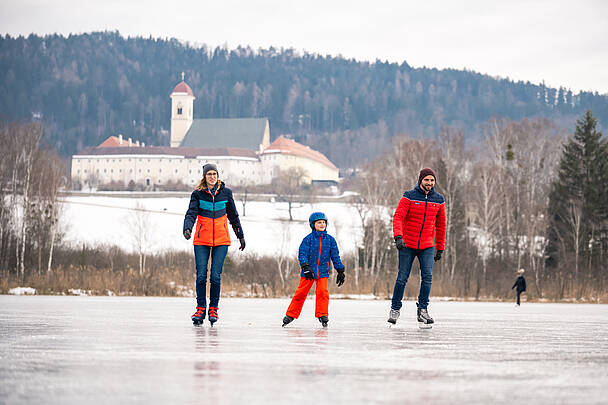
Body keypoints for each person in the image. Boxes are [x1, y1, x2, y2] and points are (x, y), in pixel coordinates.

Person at [183, 163, 246, 326]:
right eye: (209, 174)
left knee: (216, 277)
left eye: (214, 174)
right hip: (201, 240)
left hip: (221, 240)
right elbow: (191, 214)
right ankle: (200, 309)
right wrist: (187, 229)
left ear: (218, 176)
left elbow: (233, 216)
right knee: (201, 276)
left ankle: (213, 308)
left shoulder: (226, 193)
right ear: (205, 176)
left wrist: (240, 236)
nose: (212, 176)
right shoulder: (197, 194)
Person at [388, 168, 446, 326]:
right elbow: (398, 216)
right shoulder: (409, 196)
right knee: (402, 278)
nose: (429, 183)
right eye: (426, 180)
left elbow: (441, 226)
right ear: (421, 180)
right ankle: (395, 309)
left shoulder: (439, 200)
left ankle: (423, 310)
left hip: (427, 245)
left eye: (432, 180)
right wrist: (398, 236)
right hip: (407, 244)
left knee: (427, 278)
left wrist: (440, 247)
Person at [282, 212, 345, 328]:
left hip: (323, 271)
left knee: (322, 293)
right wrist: (305, 266)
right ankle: (291, 314)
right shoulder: (308, 239)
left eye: (324, 222)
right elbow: (302, 254)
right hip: (309, 272)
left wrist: (340, 270)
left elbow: (335, 256)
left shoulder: (330, 240)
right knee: (300, 293)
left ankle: (322, 314)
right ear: (313, 225)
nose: (322, 224)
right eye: (319, 222)